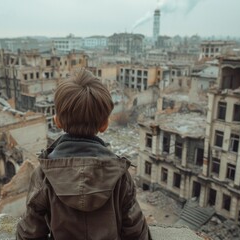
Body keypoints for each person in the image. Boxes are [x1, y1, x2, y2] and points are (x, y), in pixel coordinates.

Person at [16, 69, 151, 240]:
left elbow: (30, 233)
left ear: (57, 121)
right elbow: (136, 233)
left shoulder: (43, 174)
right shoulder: (120, 175)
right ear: (104, 125)